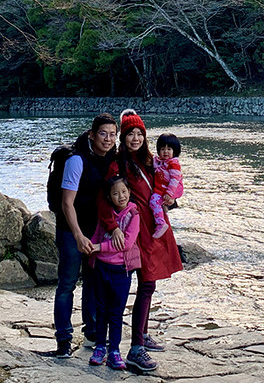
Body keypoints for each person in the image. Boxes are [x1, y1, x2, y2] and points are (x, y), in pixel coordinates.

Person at [98, 109, 183, 373]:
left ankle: (142, 334)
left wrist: (172, 198)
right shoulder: (118, 163)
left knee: (150, 284)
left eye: (139, 134)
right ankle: (135, 348)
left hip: (156, 225)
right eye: (130, 134)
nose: (135, 138)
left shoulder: (150, 160)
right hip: (138, 230)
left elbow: (168, 184)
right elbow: (105, 198)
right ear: (123, 137)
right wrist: (113, 227)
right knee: (146, 283)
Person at [54, 113, 118, 358]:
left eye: (112, 134)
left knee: (93, 283)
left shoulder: (111, 158)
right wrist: (79, 236)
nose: (108, 139)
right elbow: (66, 203)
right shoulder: (76, 160)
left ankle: (91, 332)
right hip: (71, 231)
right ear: (92, 135)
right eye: (103, 133)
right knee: (67, 284)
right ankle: (63, 340)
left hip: (96, 231)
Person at [87, 175, 141, 370]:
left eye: (124, 192)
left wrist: (99, 247)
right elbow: (97, 234)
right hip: (102, 267)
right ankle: (100, 347)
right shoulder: (106, 214)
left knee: (116, 312)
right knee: (101, 310)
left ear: (129, 193)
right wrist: (91, 250)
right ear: (109, 197)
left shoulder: (133, 215)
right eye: (116, 193)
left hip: (121, 270)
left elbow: (126, 244)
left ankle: (114, 351)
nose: (121, 196)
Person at [149, 133, 183, 238]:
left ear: (174, 150)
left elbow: (175, 179)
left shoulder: (173, 163)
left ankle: (160, 223)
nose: (166, 152)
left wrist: (169, 193)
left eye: (169, 149)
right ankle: (163, 210)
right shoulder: (160, 161)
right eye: (162, 149)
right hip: (163, 188)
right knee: (156, 201)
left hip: (170, 189)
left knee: (153, 201)